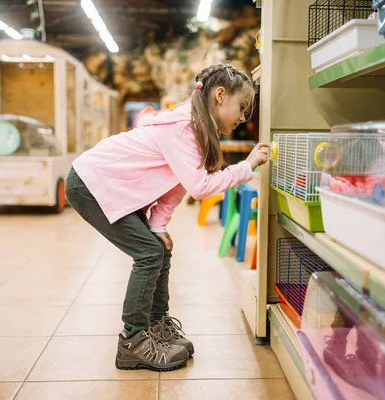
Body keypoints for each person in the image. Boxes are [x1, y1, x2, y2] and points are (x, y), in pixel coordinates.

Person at [65, 63, 270, 372]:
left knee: (159, 248)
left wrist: (158, 224)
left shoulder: (197, 127)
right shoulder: (185, 127)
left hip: (113, 186)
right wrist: (247, 166)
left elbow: (176, 184)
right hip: (90, 183)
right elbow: (200, 187)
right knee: (148, 254)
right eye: (242, 108)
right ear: (220, 94)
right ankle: (132, 340)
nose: (243, 117)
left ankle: (156, 328)